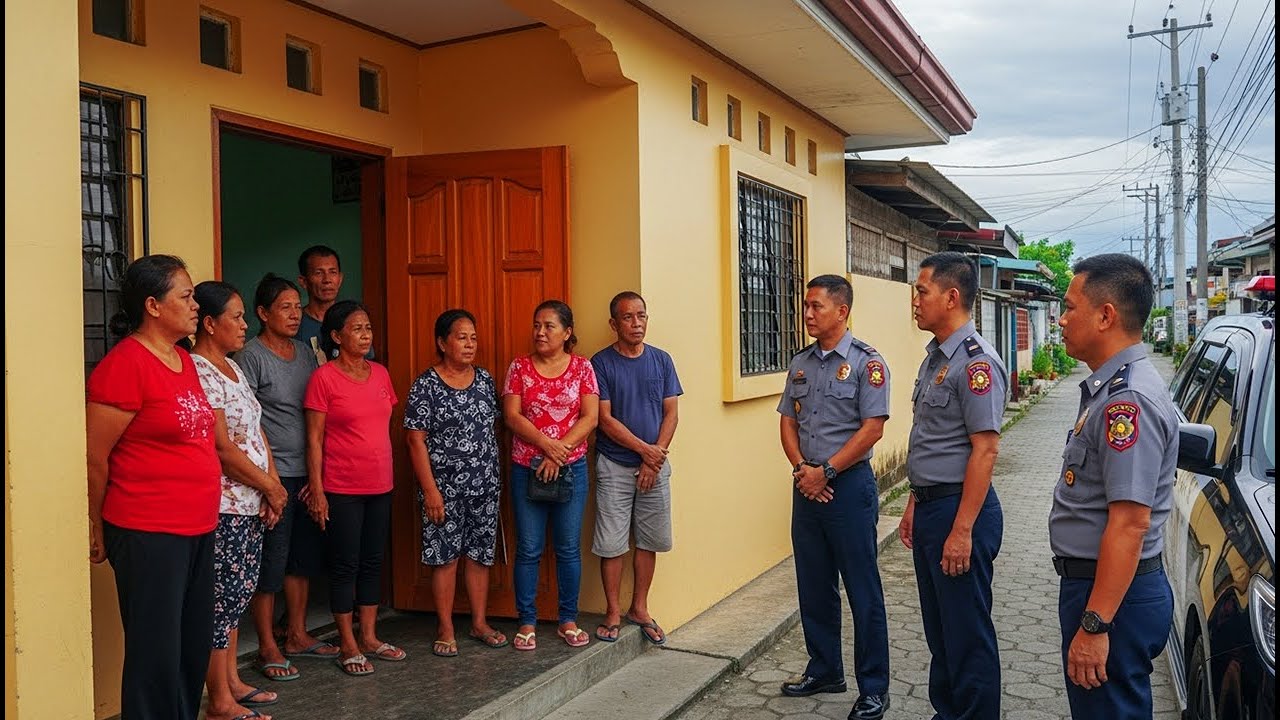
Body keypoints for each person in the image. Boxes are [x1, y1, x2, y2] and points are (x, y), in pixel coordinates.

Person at [86, 254, 221, 719]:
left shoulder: (183, 359)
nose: (195, 304)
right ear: (153, 306)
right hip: (147, 530)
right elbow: (94, 455)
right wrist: (97, 523)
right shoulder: (125, 365)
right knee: (155, 653)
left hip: (198, 527)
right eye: (185, 296)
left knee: (191, 646)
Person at [1051, 254, 1176, 719]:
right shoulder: (1110, 389)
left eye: (1069, 307)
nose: (1061, 319)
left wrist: (1095, 623)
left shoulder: (1128, 402)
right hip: (1103, 589)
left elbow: (1129, 523)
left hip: (1112, 599)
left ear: (1105, 316)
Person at [777, 274, 891, 720]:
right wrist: (803, 471)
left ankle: (874, 689)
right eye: (805, 305)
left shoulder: (867, 363)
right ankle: (825, 669)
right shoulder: (800, 363)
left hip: (848, 489)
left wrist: (825, 470)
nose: (807, 313)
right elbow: (787, 422)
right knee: (813, 584)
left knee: (863, 591)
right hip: (805, 487)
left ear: (841, 311)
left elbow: (873, 428)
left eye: (816, 306)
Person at [899, 251, 1007, 720]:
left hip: (961, 511)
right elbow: (931, 440)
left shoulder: (976, 364)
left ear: (952, 296)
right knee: (941, 631)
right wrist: (912, 503)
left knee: (966, 634)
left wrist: (962, 530)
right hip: (932, 507)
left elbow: (984, 450)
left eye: (922, 291)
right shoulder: (935, 359)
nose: (915, 300)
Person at [190, 281, 290, 720]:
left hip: (251, 502)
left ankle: (231, 680)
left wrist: (273, 481)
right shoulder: (199, 370)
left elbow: (255, 429)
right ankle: (219, 700)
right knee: (219, 601)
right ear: (209, 324)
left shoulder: (234, 368)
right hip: (225, 505)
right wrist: (268, 486)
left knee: (237, 596)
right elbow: (222, 448)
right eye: (236, 316)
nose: (244, 324)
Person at [238, 274, 337, 683]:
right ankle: (266, 644)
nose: (295, 314)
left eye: (298, 307)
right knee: (270, 565)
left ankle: (296, 633)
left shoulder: (306, 352)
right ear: (262, 313)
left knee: (302, 559)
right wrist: (267, 482)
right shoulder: (250, 356)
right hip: (269, 476)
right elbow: (244, 421)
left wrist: (318, 476)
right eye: (285, 307)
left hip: (307, 472)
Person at [303, 300, 406, 676]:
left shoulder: (380, 374)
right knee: (345, 564)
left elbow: (384, 427)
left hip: (380, 483)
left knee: (373, 561)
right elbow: (313, 440)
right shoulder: (324, 379)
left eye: (368, 328)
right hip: (341, 486)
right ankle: (347, 641)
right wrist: (317, 489)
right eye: (357, 329)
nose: (365, 335)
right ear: (336, 336)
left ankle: (371, 636)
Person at [404, 309, 507, 657]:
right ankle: (446, 628)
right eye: (461, 337)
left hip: (485, 486)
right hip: (443, 490)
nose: (469, 344)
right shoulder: (426, 385)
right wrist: (430, 490)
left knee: (479, 555)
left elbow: (492, 428)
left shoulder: (484, 380)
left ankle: (478, 623)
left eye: (473, 338)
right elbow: (414, 439)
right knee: (444, 558)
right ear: (442, 342)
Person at [502, 300, 600, 651]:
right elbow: (512, 416)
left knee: (568, 548)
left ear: (567, 332)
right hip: (526, 468)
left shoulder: (582, 368)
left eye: (549, 326)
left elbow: (590, 418)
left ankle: (567, 619)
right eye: (537, 325)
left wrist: (558, 455)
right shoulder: (519, 367)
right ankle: (526, 621)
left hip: (570, 469)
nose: (540, 332)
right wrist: (547, 445)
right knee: (528, 548)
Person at [590, 292, 682, 645]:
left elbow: (671, 412)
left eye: (641, 316)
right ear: (614, 324)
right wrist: (647, 453)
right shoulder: (601, 363)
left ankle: (639, 608)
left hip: (654, 467)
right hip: (615, 464)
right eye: (628, 318)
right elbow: (604, 419)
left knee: (650, 540)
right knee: (611, 543)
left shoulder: (661, 360)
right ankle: (612, 610)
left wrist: (654, 458)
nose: (637, 323)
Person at [296, 245, 371, 364]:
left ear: (340, 279)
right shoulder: (294, 324)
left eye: (333, 272)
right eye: (319, 273)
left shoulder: (353, 321)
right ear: (304, 282)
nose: (327, 280)